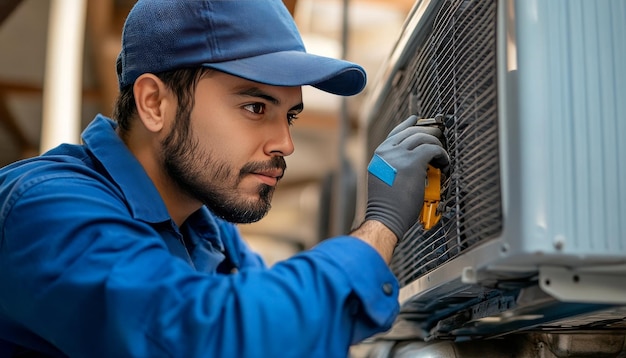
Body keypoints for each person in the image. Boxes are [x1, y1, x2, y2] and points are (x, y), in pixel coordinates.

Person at [0, 1, 449, 357]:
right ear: (154, 103)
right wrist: (380, 226)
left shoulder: (207, 232)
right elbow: (213, 338)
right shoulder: (45, 210)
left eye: (289, 115)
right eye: (255, 107)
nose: (285, 143)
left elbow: (284, 335)